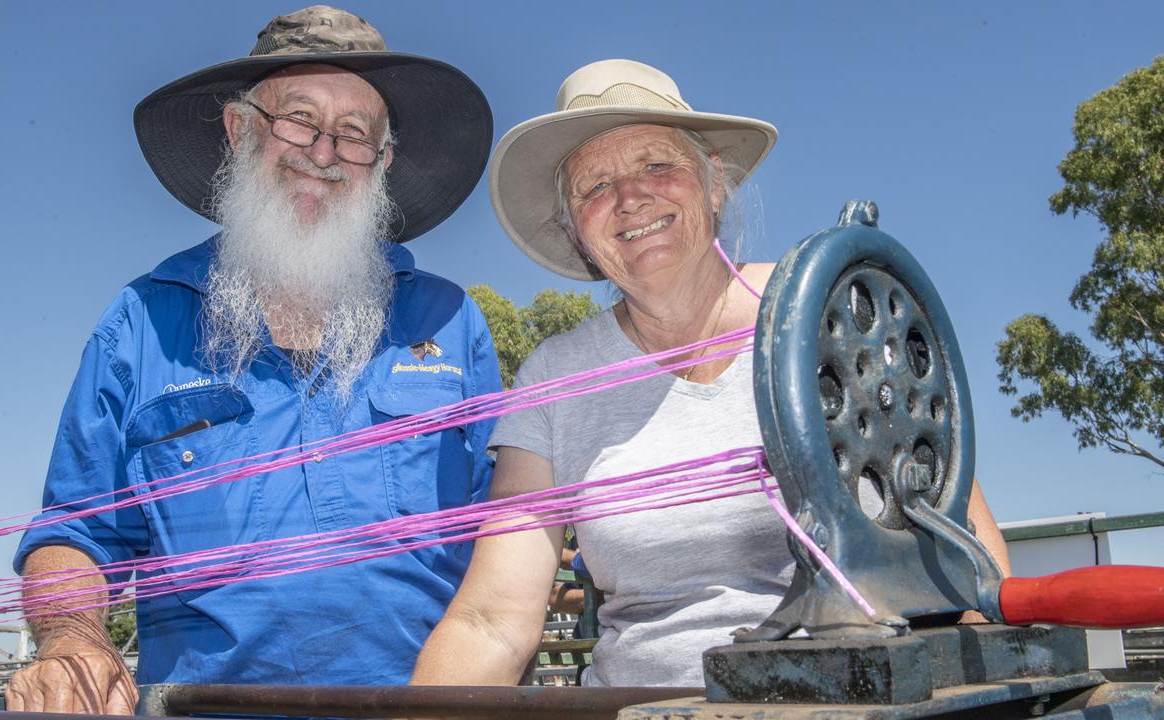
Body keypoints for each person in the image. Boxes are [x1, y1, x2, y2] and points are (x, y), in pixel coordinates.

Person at [412, 59, 1011, 688]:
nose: (629, 197)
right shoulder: (552, 375)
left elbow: (967, 555)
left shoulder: (837, 312)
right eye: (594, 186)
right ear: (574, 229)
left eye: (656, 165)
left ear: (714, 184)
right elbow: (492, 621)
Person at [8, 5, 499, 713]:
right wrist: (71, 638)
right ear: (239, 132)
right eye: (297, 119)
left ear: (383, 162)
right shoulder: (143, 321)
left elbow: (507, 533)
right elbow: (76, 530)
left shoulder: (451, 323)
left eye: (355, 133)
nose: (323, 152)